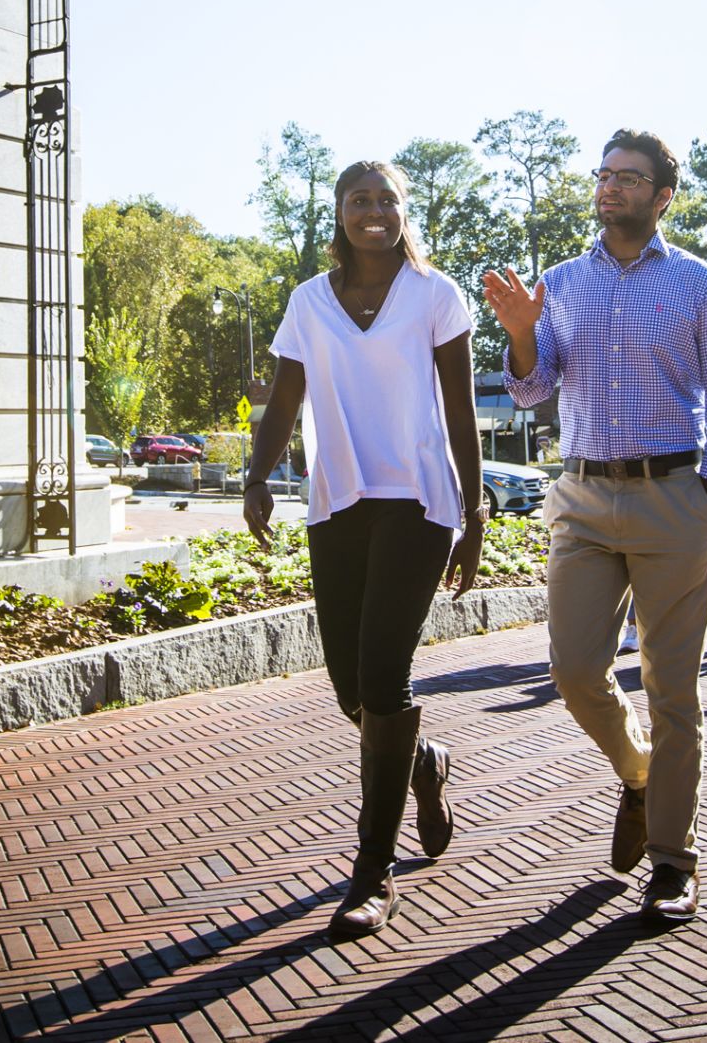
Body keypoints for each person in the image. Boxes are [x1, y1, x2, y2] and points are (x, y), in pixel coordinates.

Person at [484, 128, 707, 928]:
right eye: (604, 174)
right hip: (584, 499)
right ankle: (637, 775)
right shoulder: (560, 282)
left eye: (629, 177)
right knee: (573, 672)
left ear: (663, 195)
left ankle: (673, 859)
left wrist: (706, 500)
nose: (610, 186)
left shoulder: (705, 287)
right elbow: (532, 392)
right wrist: (525, 329)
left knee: (673, 691)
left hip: (674, 496)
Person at [243, 160, 486, 942]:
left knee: (384, 673)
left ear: (404, 211)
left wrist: (474, 509)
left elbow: (460, 407)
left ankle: (372, 869)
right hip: (339, 500)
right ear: (339, 212)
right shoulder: (310, 302)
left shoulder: (435, 296)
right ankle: (421, 763)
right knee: (351, 688)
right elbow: (285, 396)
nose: (373, 211)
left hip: (418, 500)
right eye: (358, 199)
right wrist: (255, 476)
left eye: (386, 199)